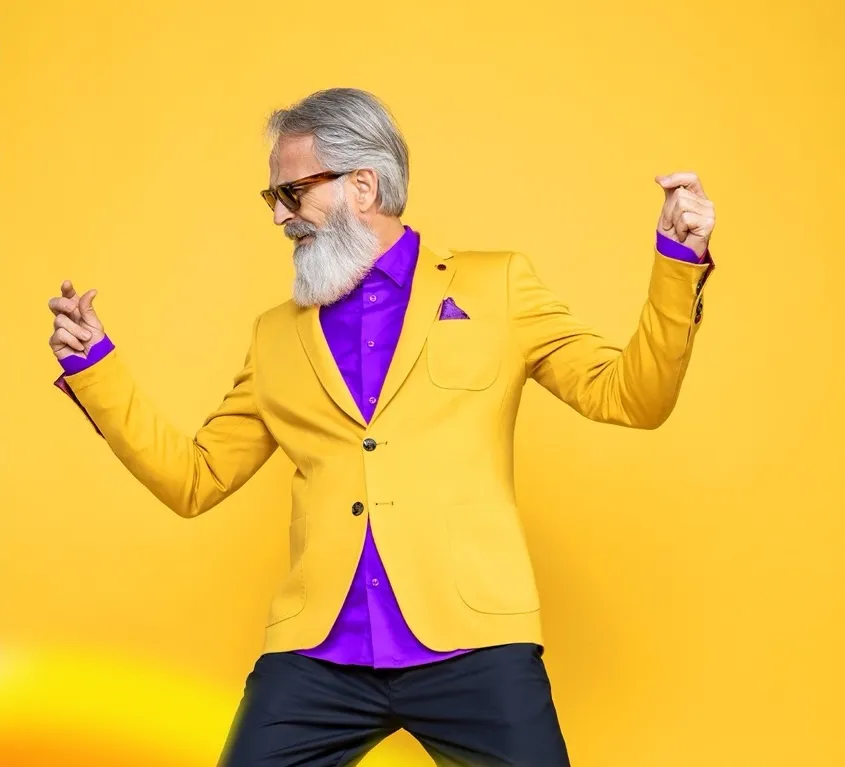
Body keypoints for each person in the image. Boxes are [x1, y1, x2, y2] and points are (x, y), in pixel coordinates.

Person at [48, 88, 715, 767]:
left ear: (362, 185)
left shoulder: (497, 286)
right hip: (318, 654)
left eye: (291, 191)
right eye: (271, 197)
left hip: (473, 643)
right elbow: (195, 479)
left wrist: (676, 262)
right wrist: (94, 367)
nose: (279, 214)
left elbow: (633, 398)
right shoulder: (275, 336)